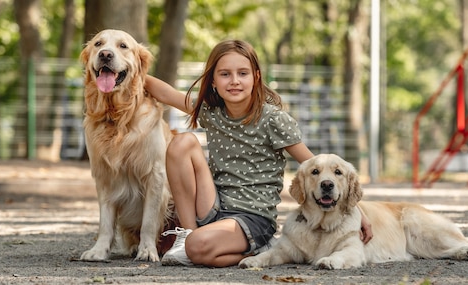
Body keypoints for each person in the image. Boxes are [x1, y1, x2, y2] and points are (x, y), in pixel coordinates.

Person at [145, 39, 372, 268]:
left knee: (199, 250)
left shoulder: (273, 119)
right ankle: (187, 236)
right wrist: (128, 68)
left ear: (256, 77)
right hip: (214, 204)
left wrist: (357, 210)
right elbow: (166, 93)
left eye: (242, 73)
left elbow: (315, 165)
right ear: (213, 81)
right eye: (225, 74)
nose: (234, 81)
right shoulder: (212, 112)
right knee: (182, 142)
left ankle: (260, 249)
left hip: (253, 217)